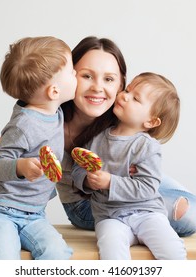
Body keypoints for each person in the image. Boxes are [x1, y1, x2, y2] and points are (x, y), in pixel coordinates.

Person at [0, 36, 196, 241]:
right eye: (86, 75)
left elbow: (154, 147)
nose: (97, 88)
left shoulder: (120, 115)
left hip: (128, 186)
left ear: (121, 84)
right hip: (91, 202)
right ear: (66, 77)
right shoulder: (45, 117)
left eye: (109, 79)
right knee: (188, 215)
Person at [0, 36, 76, 259]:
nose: (76, 75)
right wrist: (20, 167)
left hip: (34, 216)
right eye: (72, 72)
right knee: (5, 257)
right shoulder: (24, 124)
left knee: (58, 253)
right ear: (54, 91)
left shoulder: (55, 112)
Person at [71, 72, 187, 259]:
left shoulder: (147, 146)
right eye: (127, 90)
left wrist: (110, 182)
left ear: (151, 121)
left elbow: (148, 187)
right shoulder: (97, 139)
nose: (124, 96)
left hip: (146, 213)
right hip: (109, 216)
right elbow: (77, 169)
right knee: (111, 250)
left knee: (172, 250)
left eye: (135, 98)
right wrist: (86, 180)